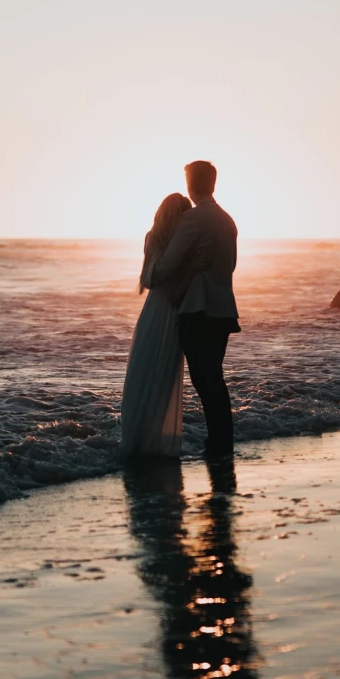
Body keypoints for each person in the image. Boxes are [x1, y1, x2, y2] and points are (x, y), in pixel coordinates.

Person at [151, 160, 240, 457]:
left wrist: (153, 265)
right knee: (214, 378)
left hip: (197, 311)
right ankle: (221, 441)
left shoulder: (194, 219)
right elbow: (233, 265)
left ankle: (218, 445)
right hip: (224, 310)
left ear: (190, 184)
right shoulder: (228, 220)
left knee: (206, 381)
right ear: (213, 184)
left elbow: (166, 267)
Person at [120, 193, 192, 457]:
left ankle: (151, 439)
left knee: (162, 375)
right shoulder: (156, 239)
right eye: (183, 214)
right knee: (145, 371)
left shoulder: (185, 242)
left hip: (170, 311)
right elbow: (148, 279)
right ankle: (138, 438)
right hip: (160, 311)